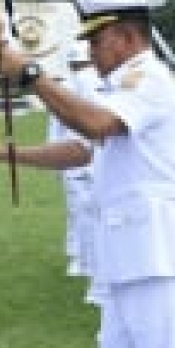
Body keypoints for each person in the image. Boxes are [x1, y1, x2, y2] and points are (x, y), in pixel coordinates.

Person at [0, 0, 175, 348]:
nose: (90, 53)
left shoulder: (149, 79)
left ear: (126, 37)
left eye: (97, 41)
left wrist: (29, 73)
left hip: (158, 254)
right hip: (127, 253)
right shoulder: (118, 87)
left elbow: (96, 125)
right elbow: (79, 150)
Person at [48, 40, 100, 279]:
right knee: (77, 208)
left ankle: (93, 255)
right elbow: (55, 126)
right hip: (72, 153)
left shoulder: (102, 85)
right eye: (78, 65)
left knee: (96, 209)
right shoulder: (65, 89)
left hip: (99, 155)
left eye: (84, 64)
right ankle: (78, 255)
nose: (82, 69)